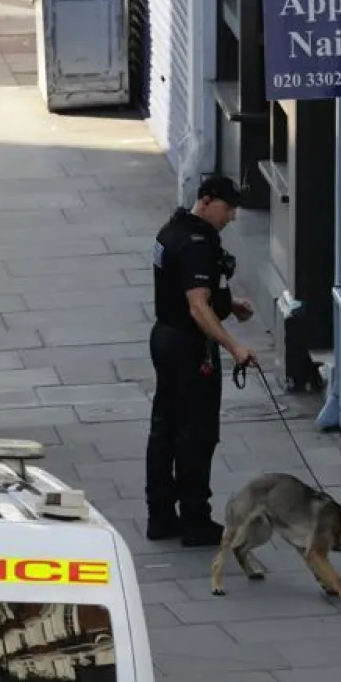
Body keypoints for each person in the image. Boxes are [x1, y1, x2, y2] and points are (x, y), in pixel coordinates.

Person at [144, 175, 257, 547]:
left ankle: (160, 516)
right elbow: (196, 306)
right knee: (196, 434)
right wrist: (233, 347)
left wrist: (228, 304)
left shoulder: (172, 229)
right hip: (189, 348)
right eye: (228, 208)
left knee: (164, 429)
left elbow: (190, 295)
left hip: (164, 336)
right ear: (206, 201)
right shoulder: (196, 244)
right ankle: (196, 520)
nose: (232, 217)